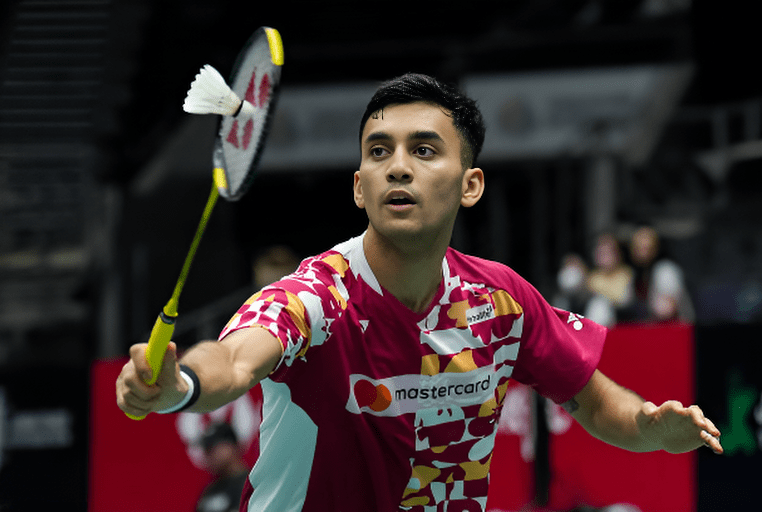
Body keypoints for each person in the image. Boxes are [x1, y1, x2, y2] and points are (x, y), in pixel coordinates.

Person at [116, 73, 722, 512]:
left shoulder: (501, 302)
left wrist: (647, 428)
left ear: (470, 185)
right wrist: (181, 385)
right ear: (360, 187)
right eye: (379, 152)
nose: (398, 167)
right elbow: (234, 360)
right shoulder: (317, 296)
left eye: (424, 150)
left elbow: (592, 401)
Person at [622, 225, 695, 323]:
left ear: (656, 247)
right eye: (638, 248)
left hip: (675, 327)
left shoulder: (666, 270)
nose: (643, 254)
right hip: (649, 327)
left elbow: (666, 310)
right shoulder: (633, 273)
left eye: (647, 248)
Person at [195, 422, 249, 512]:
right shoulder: (210, 491)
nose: (209, 455)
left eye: (213, 448)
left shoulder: (253, 483)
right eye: (207, 450)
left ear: (231, 445)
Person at [584, 233, 634, 327]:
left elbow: (624, 300)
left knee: (601, 304)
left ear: (617, 254)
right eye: (601, 254)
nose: (605, 258)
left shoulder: (625, 274)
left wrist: (602, 293)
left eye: (609, 253)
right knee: (597, 305)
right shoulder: (592, 277)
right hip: (596, 318)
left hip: (621, 319)